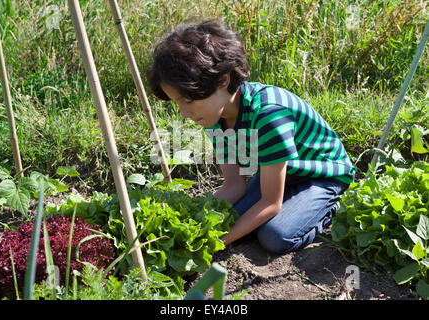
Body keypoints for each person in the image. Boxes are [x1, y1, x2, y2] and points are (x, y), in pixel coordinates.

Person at [146, 19, 356, 254]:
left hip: (320, 174)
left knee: (274, 236)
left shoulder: (269, 116)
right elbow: (234, 186)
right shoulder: (213, 117)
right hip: (279, 171)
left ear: (223, 81)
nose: (184, 114)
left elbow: (270, 203)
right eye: (177, 103)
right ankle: (292, 202)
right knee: (232, 216)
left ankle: (329, 206)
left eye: (188, 101)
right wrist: (191, 217)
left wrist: (215, 241)